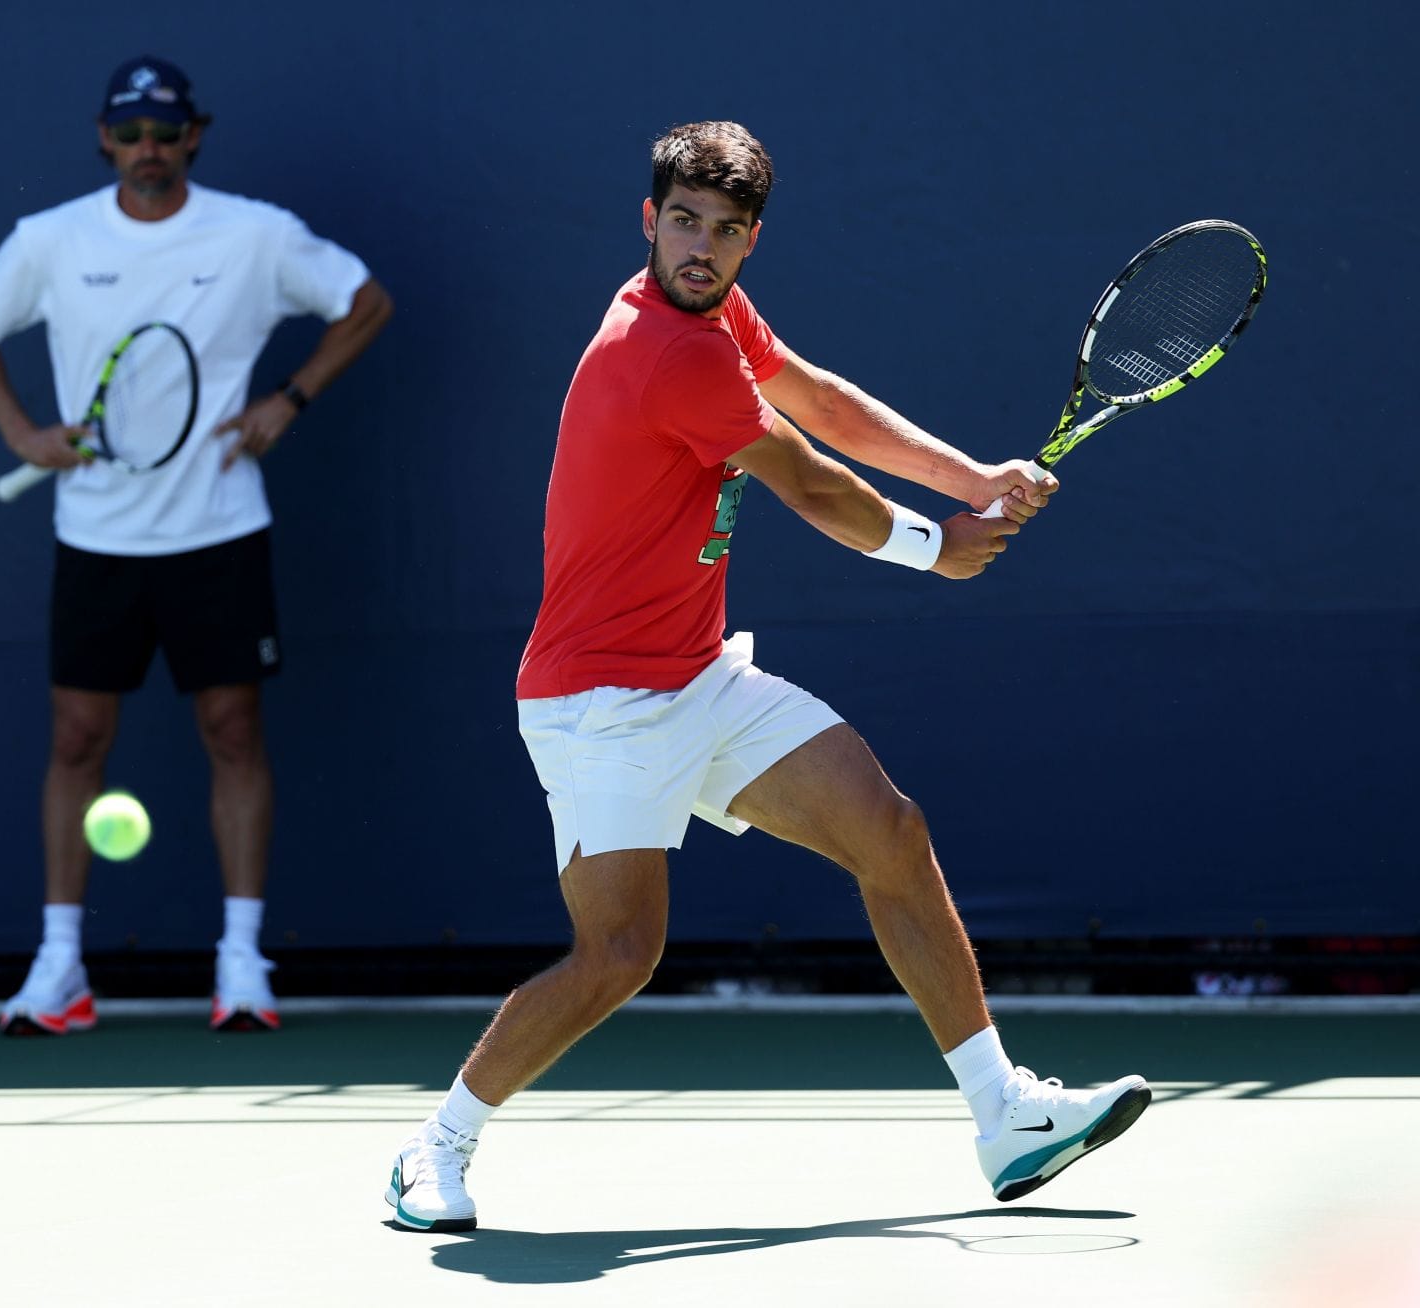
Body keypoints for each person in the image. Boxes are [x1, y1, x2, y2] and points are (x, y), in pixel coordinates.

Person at [383, 121, 1147, 1232]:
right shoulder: (667, 351)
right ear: (649, 220)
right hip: (598, 704)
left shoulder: (715, 310)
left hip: (697, 678)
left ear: (750, 241)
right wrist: (940, 548)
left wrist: (970, 477)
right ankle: (431, 1147)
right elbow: (808, 478)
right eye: (682, 222)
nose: (701, 246)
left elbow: (819, 401)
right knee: (618, 954)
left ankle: (1006, 1114)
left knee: (889, 832)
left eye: (725, 230)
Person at [0, 55, 392, 1036]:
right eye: (130, 131)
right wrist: (24, 435)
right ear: (104, 139)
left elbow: (365, 301)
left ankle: (240, 963)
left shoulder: (255, 235)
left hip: (219, 532)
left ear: (194, 136)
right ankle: (59, 968)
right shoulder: (50, 241)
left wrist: (291, 398)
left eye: (165, 131)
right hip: (95, 539)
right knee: (75, 740)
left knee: (234, 733)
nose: (148, 148)